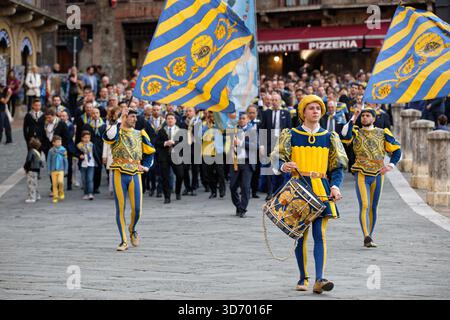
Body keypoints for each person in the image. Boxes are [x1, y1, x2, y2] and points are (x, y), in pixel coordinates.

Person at [271, 94, 348, 294]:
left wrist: (335, 186)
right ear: (303, 112)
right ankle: (302, 276)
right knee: (301, 236)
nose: (316, 111)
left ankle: (319, 279)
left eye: (318, 108)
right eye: (311, 108)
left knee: (319, 235)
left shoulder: (330, 136)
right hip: (298, 188)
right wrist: (283, 165)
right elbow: (276, 159)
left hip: (321, 188)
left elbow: (337, 167)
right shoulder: (291, 134)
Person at [341, 106, 401, 248]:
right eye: (363, 115)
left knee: (374, 207)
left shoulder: (383, 132)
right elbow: (344, 135)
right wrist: (353, 117)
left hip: (378, 173)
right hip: (361, 172)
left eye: (368, 115)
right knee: (365, 205)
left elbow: (397, 150)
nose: (365, 118)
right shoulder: (355, 131)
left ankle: (370, 236)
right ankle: (366, 236)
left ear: (374, 118)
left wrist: (391, 165)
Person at [103, 108, 155, 251]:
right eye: (132, 117)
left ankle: (132, 228)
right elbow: (108, 137)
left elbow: (150, 152)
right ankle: (123, 240)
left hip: (135, 173)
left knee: (137, 209)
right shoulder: (115, 131)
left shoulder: (140, 134)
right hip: (119, 172)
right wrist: (119, 118)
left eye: (135, 117)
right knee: (120, 208)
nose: (135, 119)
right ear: (125, 117)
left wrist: (145, 167)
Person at [260, 92, 291, 200]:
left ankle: (280, 191)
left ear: (280, 101)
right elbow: (262, 129)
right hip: (269, 144)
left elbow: (289, 129)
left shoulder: (286, 113)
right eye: (272, 100)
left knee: (282, 168)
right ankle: (269, 192)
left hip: (281, 144)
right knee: (269, 169)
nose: (274, 102)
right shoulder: (266, 113)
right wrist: (262, 145)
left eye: (276, 100)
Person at [229, 113, 256, 218]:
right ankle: (238, 206)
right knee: (232, 187)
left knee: (245, 187)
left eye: (244, 118)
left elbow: (255, 146)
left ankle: (243, 209)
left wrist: (240, 143)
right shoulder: (234, 130)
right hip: (235, 162)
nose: (241, 120)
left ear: (248, 119)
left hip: (247, 162)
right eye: (240, 118)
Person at [155, 113, 184, 204]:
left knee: (180, 175)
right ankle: (167, 197)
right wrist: (165, 143)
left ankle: (178, 191)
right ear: (166, 120)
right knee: (165, 177)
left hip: (176, 156)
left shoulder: (180, 130)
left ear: (175, 120)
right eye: (168, 119)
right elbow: (157, 142)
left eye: (172, 118)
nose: (170, 120)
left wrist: (174, 143)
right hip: (165, 157)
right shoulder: (161, 130)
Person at [77, 131, 99, 200]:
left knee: (90, 179)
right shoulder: (79, 146)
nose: (87, 139)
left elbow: (95, 154)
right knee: (84, 179)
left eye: (88, 137)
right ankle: (85, 193)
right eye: (85, 137)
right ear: (82, 138)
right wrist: (79, 155)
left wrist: (98, 162)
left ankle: (90, 193)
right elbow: (75, 153)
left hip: (91, 164)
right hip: (83, 165)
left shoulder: (92, 145)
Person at [47, 135, 69, 204]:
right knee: (54, 184)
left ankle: (61, 192)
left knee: (60, 182)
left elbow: (66, 161)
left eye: (60, 142)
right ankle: (55, 196)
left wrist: (66, 170)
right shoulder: (51, 151)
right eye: (57, 142)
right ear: (53, 143)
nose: (59, 143)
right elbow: (48, 161)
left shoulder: (63, 150)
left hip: (61, 169)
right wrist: (49, 170)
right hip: (53, 170)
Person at [24, 138, 43, 203]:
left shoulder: (31, 151)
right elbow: (40, 162)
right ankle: (37, 195)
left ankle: (32, 198)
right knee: (35, 183)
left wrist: (26, 167)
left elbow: (28, 160)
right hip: (36, 169)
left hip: (31, 169)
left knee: (30, 184)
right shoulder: (37, 152)